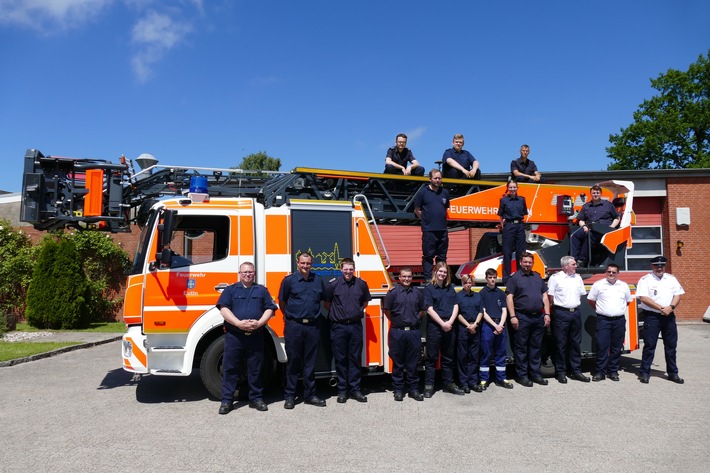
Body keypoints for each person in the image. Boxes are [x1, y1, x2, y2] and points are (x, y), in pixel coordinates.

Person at [216, 262, 278, 415]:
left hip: (256, 336)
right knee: (230, 368)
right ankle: (226, 401)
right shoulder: (230, 290)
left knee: (255, 369)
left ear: (254, 273)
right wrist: (238, 323)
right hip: (235, 336)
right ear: (239, 273)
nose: (247, 274)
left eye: (250, 272)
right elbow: (223, 309)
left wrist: (259, 323)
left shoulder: (262, 290)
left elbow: (270, 308)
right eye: (245, 272)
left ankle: (256, 399)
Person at [278, 252, 327, 409]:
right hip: (294, 326)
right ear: (297, 263)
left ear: (311, 264)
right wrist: (291, 317)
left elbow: (323, 300)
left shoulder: (318, 280)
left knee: (310, 363)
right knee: (293, 362)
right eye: (303, 263)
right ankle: (290, 396)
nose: (305, 266)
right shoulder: (289, 281)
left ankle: (310, 395)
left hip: (313, 326)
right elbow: (282, 302)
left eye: (308, 263)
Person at [324, 257, 372, 403]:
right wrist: (339, 315)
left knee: (355, 358)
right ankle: (342, 391)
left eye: (351, 269)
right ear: (341, 269)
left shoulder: (361, 284)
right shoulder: (333, 285)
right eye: (345, 269)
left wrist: (355, 312)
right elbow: (327, 304)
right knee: (341, 359)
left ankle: (355, 390)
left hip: (355, 326)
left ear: (354, 269)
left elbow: (365, 303)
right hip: (338, 327)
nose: (348, 272)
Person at [636, 256, 685, 384]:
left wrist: (671, 307)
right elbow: (644, 298)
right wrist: (661, 308)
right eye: (657, 265)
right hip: (652, 317)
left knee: (671, 346)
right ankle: (644, 373)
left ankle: (673, 373)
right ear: (652, 266)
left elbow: (678, 294)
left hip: (669, 316)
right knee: (650, 346)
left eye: (662, 265)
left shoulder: (671, 279)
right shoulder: (645, 280)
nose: (659, 268)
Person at [506, 252, 551, 387]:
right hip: (522, 317)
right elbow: (509, 297)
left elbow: (545, 296)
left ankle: (535, 374)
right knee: (521, 348)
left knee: (536, 347)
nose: (527, 264)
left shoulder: (537, 277)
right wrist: (513, 316)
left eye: (530, 262)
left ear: (532, 263)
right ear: (520, 262)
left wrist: (547, 314)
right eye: (525, 262)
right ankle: (522, 376)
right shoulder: (515, 278)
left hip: (538, 317)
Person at [383, 267, 425, 401]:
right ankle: (398, 390)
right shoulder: (393, 293)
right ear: (399, 278)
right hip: (398, 332)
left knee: (413, 363)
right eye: (404, 277)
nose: (407, 279)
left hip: (413, 332)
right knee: (398, 363)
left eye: (409, 276)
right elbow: (387, 310)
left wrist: (415, 319)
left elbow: (422, 310)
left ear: (412, 278)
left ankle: (413, 390)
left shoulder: (417, 293)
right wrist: (398, 322)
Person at [547, 256, 590, 383]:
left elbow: (580, 296)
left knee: (576, 343)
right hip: (561, 313)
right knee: (561, 344)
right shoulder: (555, 278)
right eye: (573, 264)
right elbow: (550, 297)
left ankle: (576, 371)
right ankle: (561, 372)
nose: (576, 266)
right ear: (565, 266)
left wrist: (573, 306)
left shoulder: (578, 278)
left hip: (575, 313)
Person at [423, 262, 463, 397]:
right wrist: (442, 323)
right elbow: (429, 309)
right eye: (440, 271)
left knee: (448, 358)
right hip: (435, 327)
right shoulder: (429, 288)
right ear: (435, 272)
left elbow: (456, 305)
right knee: (431, 358)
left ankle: (448, 384)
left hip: (450, 326)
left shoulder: (450, 288)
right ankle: (429, 386)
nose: (442, 274)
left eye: (445, 272)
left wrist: (450, 322)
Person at [587, 263, 632, 382]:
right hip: (603, 320)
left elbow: (628, 301)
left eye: (614, 272)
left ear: (618, 273)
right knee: (602, 346)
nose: (611, 274)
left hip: (619, 320)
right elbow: (591, 300)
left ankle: (613, 371)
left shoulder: (623, 286)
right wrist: (600, 310)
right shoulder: (598, 285)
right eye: (609, 272)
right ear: (606, 272)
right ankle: (600, 372)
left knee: (616, 347)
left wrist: (616, 310)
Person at [413, 169, 450, 282]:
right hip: (429, 231)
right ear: (430, 179)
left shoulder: (445, 192)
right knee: (428, 256)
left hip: (442, 230)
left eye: (439, 178)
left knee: (442, 257)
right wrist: (426, 221)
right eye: (435, 178)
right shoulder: (422, 192)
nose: (438, 180)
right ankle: (429, 279)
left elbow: (446, 208)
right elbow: (417, 210)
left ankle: (440, 279)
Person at [479, 268, 513, 389]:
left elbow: (504, 310)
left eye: (494, 277)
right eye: (490, 277)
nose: (492, 280)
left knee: (501, 353)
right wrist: (495, 325)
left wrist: (501, 325)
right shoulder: (482, 293)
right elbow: (483, 312)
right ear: (486, 278)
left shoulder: (500, 293)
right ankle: (483, 380)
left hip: (500, 325)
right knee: (486, 353)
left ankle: (501, 378)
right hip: (488, 326)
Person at [570, 184, 620, 267]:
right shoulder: (586, 206)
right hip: (589, 228)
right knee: (574, 235)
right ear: (591, 194)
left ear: (600, 194)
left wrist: (611, 228)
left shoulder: (608, 205)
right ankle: (573, 259)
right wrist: (584, 227)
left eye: (597, 193)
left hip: (604, 230)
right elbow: (581, 220)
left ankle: (582, 260)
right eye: (593, 193)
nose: (595, 194)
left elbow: (617, 218)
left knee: (590, 235)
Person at [456, 274, 484, 393]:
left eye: (469, 282)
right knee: (462, 356)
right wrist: (468, 325)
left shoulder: (477, 296)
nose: (468, 284)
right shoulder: (457, 296)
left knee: (474, 356)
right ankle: (463, 383)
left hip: (475, 328)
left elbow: (480, 311)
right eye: (465, 282)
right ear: (462, 283)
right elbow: (457, 313)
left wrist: (475, 324)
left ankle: (473, 382)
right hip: (463, 329)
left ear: (472, 283)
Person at [498, 180, 528, 283]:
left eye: (514, 187)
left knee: (521, 252)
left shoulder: (522, 200)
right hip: (509, 227)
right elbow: (500, 216)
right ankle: (506, 278)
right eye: (510, 187)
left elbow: (524, 212)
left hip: (519, 226)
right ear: (508, 189)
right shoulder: (503, 200)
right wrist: (504, 227)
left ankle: (520, 276)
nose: (512, 189)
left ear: (517, 187)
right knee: (507, 252)